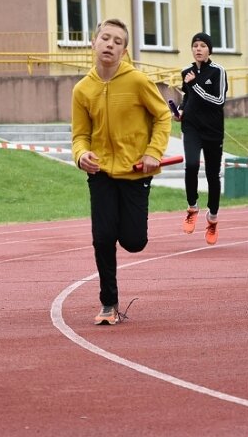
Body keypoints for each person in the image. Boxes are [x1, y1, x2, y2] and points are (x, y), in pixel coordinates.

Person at [71, 18, 172, 325]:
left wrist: (153, 152)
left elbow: (163, 116)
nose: (110, 44)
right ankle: (108, 303)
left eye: (117, 41)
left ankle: (120, 227)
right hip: (100, 173)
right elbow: (79, 135)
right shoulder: (82, 90)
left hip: (135, 173)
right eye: (105, 38)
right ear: (93, 42)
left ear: (124, 50)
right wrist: (80, 155)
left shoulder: (138, 82)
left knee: (133, 241)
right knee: (102, 238)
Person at [176, 32, 228, 244]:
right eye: (195, 45)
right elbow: (188, 99)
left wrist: (195, 84)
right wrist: (179, 111)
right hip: (191, 128)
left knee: (212, 175)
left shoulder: (218, 71)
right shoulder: (186, 72)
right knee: (191, 165)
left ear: (209, 50)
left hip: (213, 130)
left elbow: (219, 100)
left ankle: (212, 218)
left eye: (202, 45)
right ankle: (192, 207)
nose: (198, 49)